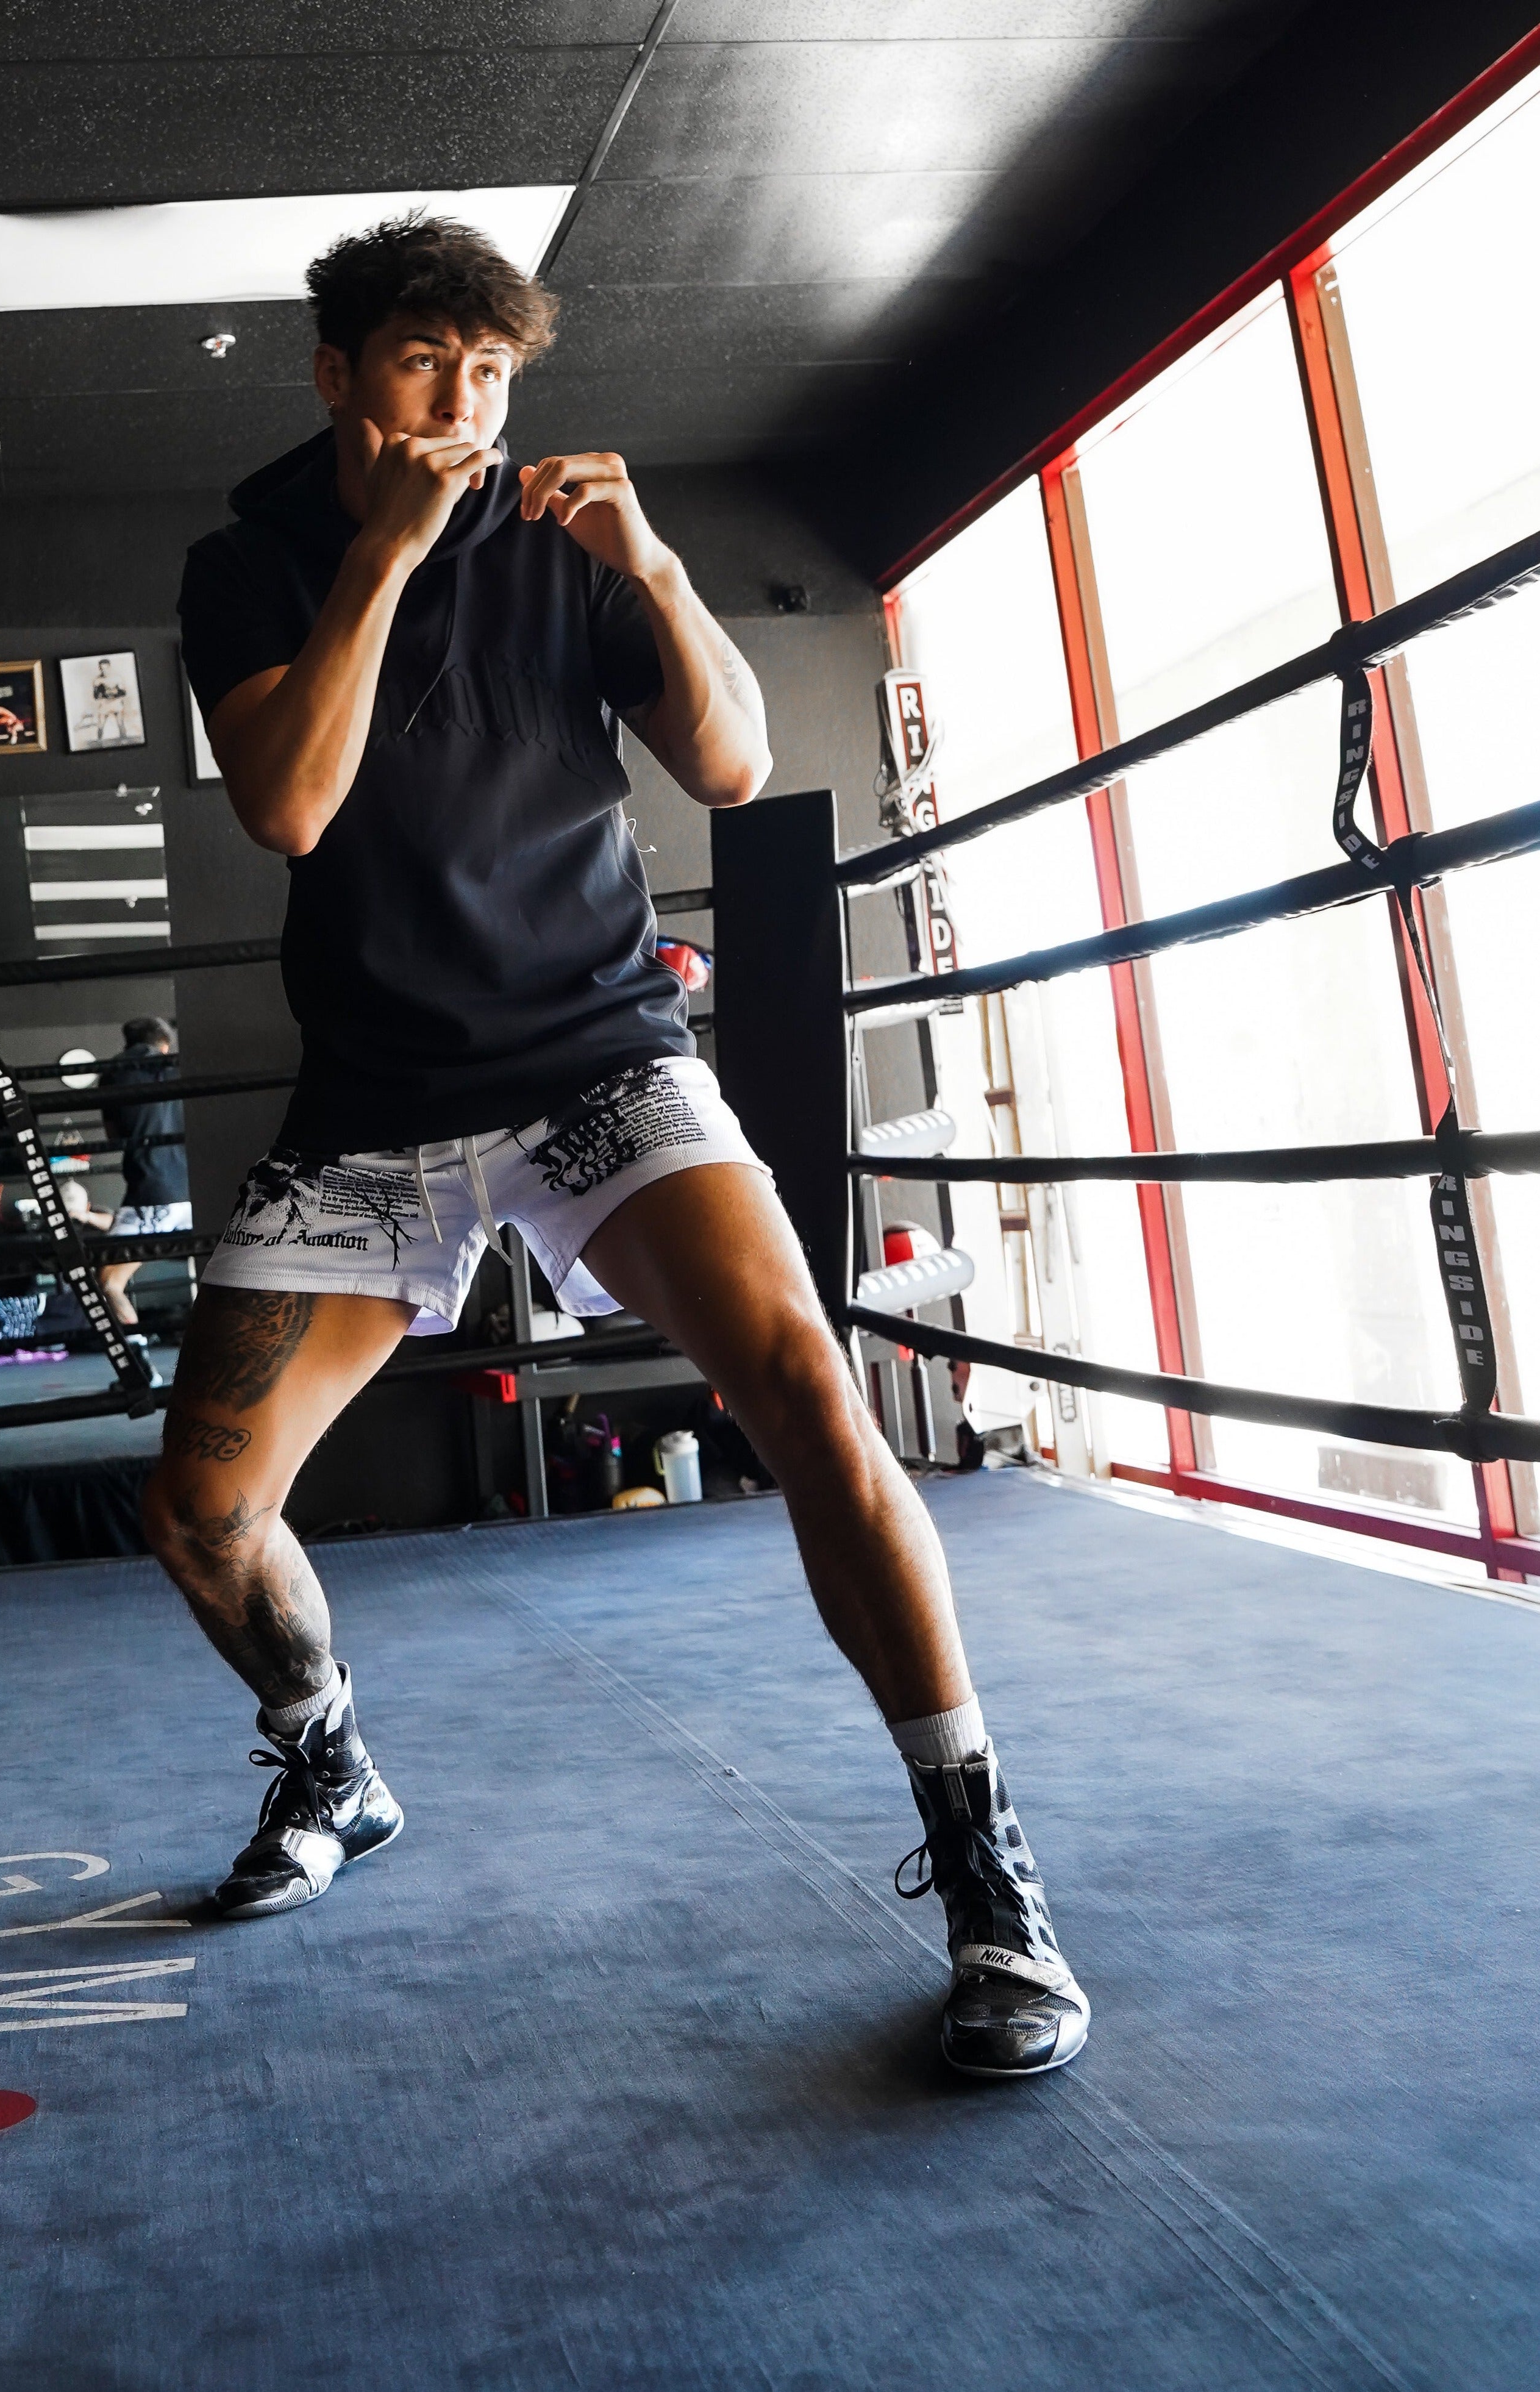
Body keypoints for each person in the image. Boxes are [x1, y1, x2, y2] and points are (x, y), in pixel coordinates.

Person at [149, 215, 1088, 2077]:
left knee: (808, 1390)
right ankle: (328, 1761)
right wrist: (386, 561)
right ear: (336, 370)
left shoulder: (566, 549)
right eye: (423, 361)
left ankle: (985, 1867)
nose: (462, 404)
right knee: (198, 1509)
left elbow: (731, 766)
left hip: (595, 1057)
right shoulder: (244, 564)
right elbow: (287, 801)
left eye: (489, 372)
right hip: (371, 1111)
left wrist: (644, 555)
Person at [96, 1014, 189, 1338]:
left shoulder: (114, 1072)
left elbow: (112, 1137)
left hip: (155, 1193)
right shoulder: (181, 1066)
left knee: (108, 1284)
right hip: (197, 1191)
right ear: (164, 1045)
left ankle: (140, 1365)